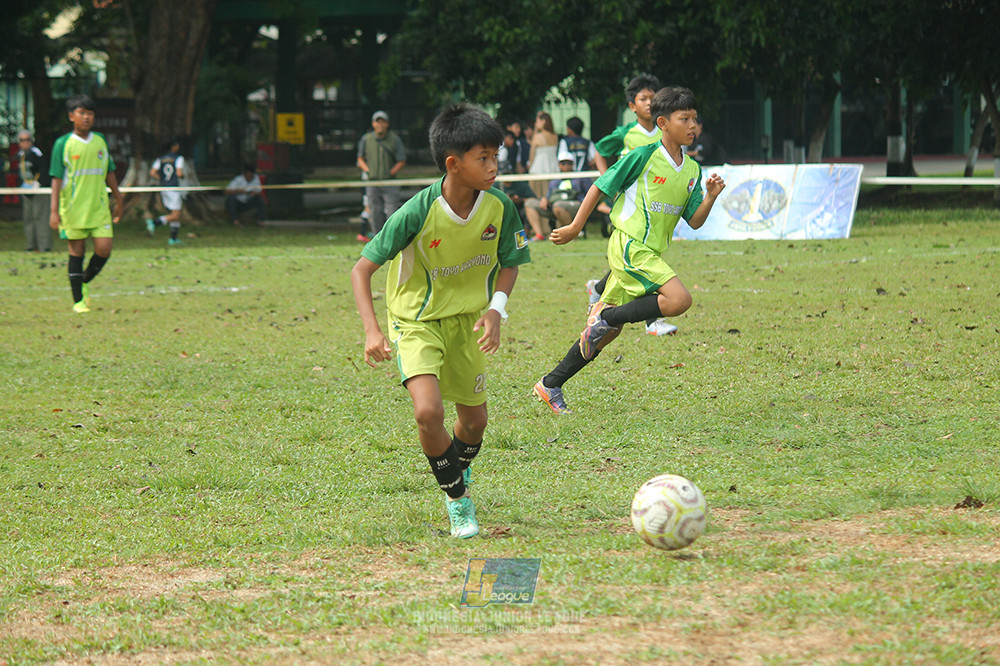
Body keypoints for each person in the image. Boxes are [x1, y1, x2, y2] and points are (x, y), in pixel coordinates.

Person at [351, 102, 530, 538]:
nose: (494, 166)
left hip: (467, 322)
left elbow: (511, 263)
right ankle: (457, 500)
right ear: (453, 164)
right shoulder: (417, 211)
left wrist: (496, 309)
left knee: (475, 424)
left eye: (496, 156)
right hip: (416, 321)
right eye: (483, 158)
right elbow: (361, 270)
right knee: (428, 412)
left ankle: (451, 469)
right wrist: (372, 330)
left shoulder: (500, 207)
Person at [532, 86, 726, 414]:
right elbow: (600, 186)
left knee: (604, 334)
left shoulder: (693, 170)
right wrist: (576, 226)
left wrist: (710, 197)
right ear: (663, 123)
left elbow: (694, 221)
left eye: (695, 119)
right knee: (679, 299)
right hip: (629, 245)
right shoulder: (643, 156)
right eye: (684, 119)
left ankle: (551, 383)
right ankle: (604, 314)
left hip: (648, 253)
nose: (693, 125)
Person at [589, 74, 678, 337]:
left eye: (653, 97)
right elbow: (599, 151)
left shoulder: (665, 132)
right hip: (630, 203)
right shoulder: (625, 133)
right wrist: (608, 180)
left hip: (654, 203)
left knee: (636, 257)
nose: (649, 103)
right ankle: (652, 321)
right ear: (632, 106)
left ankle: (598, 289)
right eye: (643, 98)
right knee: (643, 257)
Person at [48, 95, 125, 314]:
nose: (86, 118)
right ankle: (78, 301)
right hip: (73, 208)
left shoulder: (100, 140)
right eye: (81, 113)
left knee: (104, 249)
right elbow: (56, 179)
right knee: (77, 251)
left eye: (90, 114)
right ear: (71, 116)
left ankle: (82, 281)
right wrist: (54, 211)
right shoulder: (63, 144)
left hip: (98, 207)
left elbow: (109, 171)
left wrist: (119, 199)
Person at [523, 149, 592, 241]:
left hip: (574, 204)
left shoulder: (580, 178)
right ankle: (539, 235)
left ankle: (571, 234)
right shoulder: (555, 180)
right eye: (563, 163)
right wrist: (545, 199)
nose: (566, 166)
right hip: (554, 205)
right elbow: (548, 196)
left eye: (569, 163)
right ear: (559, 165)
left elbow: (589, 195)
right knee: (529, 203)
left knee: (558, 206)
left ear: (573, 164)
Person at [357, 110, 406, 237]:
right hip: (372, 182)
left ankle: (392, 238)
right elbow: (360, 159)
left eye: (383, 122)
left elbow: (401, 160)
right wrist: (368, 171)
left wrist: (391, 172)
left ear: (387, 124)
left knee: (392, 212)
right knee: (374, 213)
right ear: (373, 124)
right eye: (377, 122)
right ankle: (377, 239)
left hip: (389, 182)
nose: (380, 125)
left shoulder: (394, 139)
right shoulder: (367, 139)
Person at [145, 138, 186, 245]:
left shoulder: (161, 159)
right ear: (174, 146)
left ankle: (173, 238)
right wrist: (183, 176)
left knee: (175, 214)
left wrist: (162, 179)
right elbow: (179, 173)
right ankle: (154, 222)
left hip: (164, 188)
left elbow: (152, 172)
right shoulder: (178, 158)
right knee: (176, 215)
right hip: (173, 188)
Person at [16, 129, 51, 252]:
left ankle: (44, 246)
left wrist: (39, 183)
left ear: (32, 141)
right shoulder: (20, 155)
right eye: (22, 140)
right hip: (26, 191)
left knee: (41, 218)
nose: (25, 142)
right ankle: (31, 246)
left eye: (27, 139)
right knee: (28, 218)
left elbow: (44, 171)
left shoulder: (37, 154)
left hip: (40, 190)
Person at [527, 111, 559, 198]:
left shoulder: (537, 136)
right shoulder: (554, 136)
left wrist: (530, 165)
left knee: (537, 195)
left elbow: (532, 154)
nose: (536, 124)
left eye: (537, 121)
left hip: (538, 168)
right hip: (553, 167)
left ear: (543, 121)